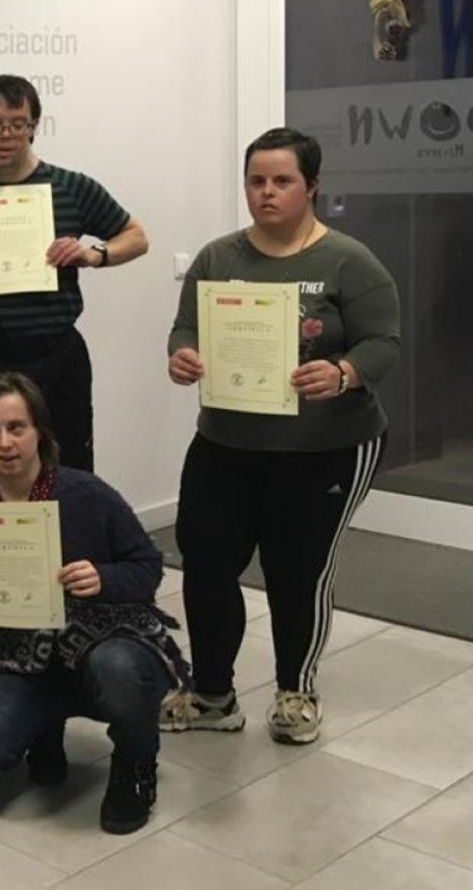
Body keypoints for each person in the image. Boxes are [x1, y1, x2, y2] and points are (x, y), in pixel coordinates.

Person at [162, 126, 400, 745]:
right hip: (225, 443)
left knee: (297, 573)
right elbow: (185, 329)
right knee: (206, 566)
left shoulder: (349, 260)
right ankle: (212, 693)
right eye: (256, 181)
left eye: (281, 181)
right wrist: (183, 355)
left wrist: (343, 372)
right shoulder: (218, 258)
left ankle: (297, 690)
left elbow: (384, 342)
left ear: (312, 186)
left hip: (325, 448)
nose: (266, 192)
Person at [0, 372, 182, 834]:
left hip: (102, 639)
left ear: (39, 431)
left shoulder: (86, 493)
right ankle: (46, 723)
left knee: (119, 672)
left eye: (16, 427)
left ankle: (135, 762)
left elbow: (147, 566)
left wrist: (102, 577)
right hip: (20, 654)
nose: (5, 442)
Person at [0, 74, 148, 489]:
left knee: (69, 473)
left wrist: (93, 254)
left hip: (55, 355)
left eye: (17, 123)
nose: (5, 135)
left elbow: (136, 237)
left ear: (34, 126)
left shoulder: (71, 187)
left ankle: (68, 535)